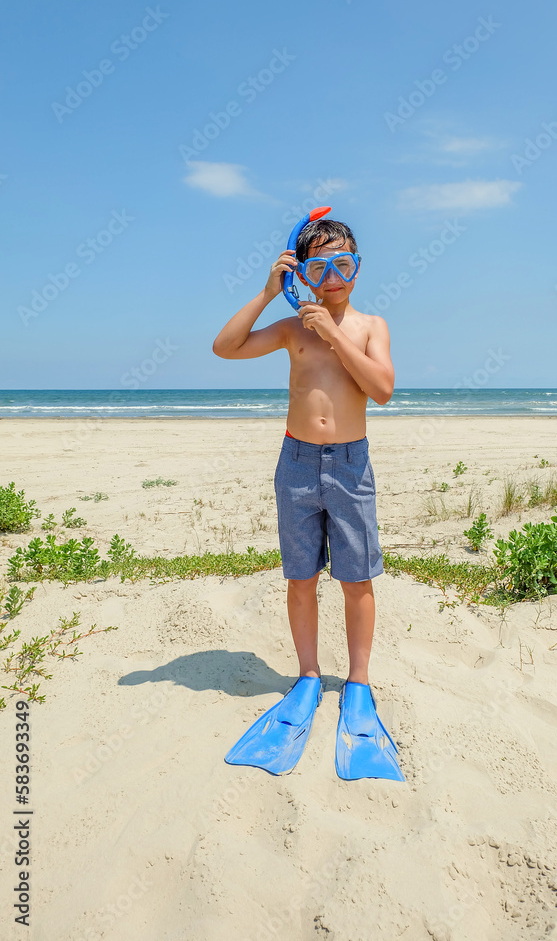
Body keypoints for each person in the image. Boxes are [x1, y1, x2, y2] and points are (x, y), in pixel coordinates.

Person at [214, 217, 404, 782]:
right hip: (296, 464)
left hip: (350, 465)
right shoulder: (293, 328)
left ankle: (359, 682)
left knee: (357, 578)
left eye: (343, 265)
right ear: (305, 273)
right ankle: (306, 676)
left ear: (358, 267)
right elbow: (225, 348)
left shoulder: (370, 326)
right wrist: (270, 292)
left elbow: (384, 389)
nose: (333, 277)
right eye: (319, 267)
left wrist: (335, 332)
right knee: (301, 577)